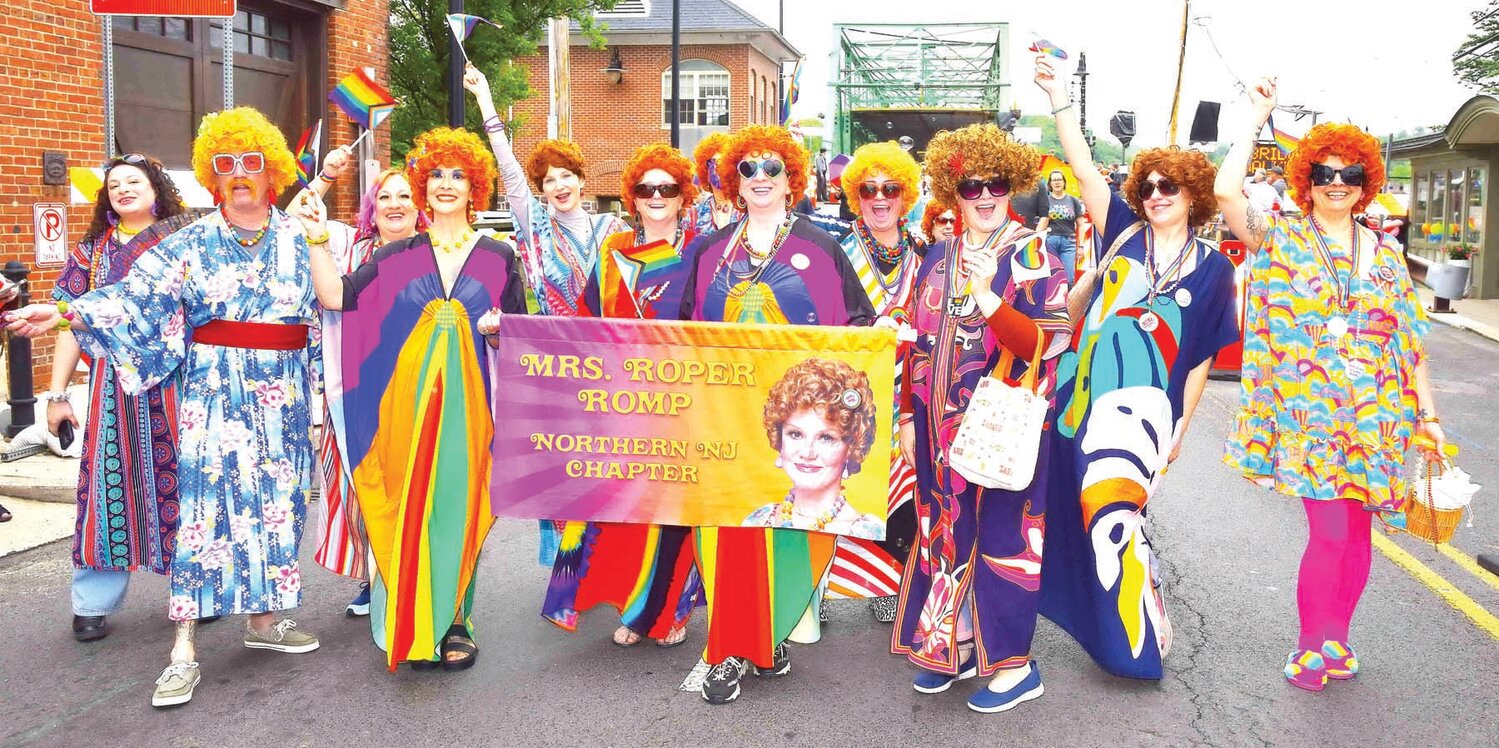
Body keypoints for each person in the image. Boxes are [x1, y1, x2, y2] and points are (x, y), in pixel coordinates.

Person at [6, 108, 322, 708]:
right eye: (224, 165)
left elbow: (331, 309)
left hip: (282, 397)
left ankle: (263, 622)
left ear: (272, 171)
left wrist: (329, 393)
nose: (238, 175)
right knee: (203, 513)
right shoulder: (190, 241)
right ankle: (183, 650)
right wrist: (67, 313)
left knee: (276, 507)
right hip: (211, 393)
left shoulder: (300, 237)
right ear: (211, 174)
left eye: (250, 163)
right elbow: (131, 296)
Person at [1217, 78, 1444, 692]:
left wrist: (1428, 414)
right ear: (1306, 179)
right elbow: (1224, 192)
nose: (1336, 182)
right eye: (1324, 172)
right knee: (1332, 531)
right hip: (1309, 415)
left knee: (1360, 535)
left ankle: (1337, 639)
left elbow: (1409, 340)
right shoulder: (1282, 235)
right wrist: (1256, 116)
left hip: (1378, 414)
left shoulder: (1387, 253)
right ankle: (1311, 644)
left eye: (1348, 173)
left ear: (1366, 181)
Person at [1032, 55, 1241, 681]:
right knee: (1066, 505)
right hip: (1077, 397)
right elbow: (1081, 164)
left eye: (1167, 188)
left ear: (1192, 197)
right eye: (1147, 187)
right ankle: (1106, 609)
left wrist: (1181, 425)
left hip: (1145, 414)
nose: (1154, 197)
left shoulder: (1213, 269)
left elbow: (1202, 353)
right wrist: (1059, 97)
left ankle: (1129, 631)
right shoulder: (1120, 230)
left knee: (1119, 514)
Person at [305, 126, 525, 673]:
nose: (446, 185)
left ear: (476, 187)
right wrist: (313, 238)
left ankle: (456, 622)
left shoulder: (500, 256)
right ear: (424, 191)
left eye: (458, 176)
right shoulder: (396, 253)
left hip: (470, 413)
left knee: (460, 507)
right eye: (436, 177)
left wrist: (500, 329)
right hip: (401, 410)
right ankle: (412, 621)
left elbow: (524, 333)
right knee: (410, 509)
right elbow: (335, 298)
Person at [679, 124, 875, 705]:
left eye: (772, 169)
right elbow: (679, 334)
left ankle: (768, 631)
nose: (760, 178)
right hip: (722, 421)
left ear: (791, 178)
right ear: (732, 181)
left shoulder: (821, 247)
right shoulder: (710, 252)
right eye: (749, 169)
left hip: (803, 431)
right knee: (727, 534)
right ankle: (732, 646)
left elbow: (857, 323)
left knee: (798, 533)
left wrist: (877, 335)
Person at [892, 122, 1072, 714]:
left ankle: (1017, 666)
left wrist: (991, 298)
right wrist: (905, 416)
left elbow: (1044, 344)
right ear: (953, 192)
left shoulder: (1033, 253)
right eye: (971, 187)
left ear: (1012, 185)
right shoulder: (937, 255)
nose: (985, 197)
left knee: (1003, 539)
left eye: (996, 184)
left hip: (1003, 431)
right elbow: (914, 343)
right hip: (938, 432)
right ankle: (959, 643)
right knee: (945, 533)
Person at [543, 143, 703, 648]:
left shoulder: (704, 251)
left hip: (685, 403)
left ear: (683, 198)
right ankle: (634, 610)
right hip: (622, 403)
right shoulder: (613, 258)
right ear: (632, 198)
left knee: (672, 515)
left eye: (668, 188)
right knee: (621, 512)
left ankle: (668, 613)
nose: (656, 197)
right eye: (645, 189)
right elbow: (587, 322)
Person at [46, 153, 187, 643]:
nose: (123, 189)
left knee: (186, 485)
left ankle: (194, 592)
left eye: (133, 181)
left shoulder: (186, 244)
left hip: (178, 384)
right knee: (106, 491)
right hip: (111, 389)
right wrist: (58, 394)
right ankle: (92, 603)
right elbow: (68, 322)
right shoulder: (89, 255)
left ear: (156, 188)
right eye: (113, 186)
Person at [293, 150, 426, 618]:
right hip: (355, 388)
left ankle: (418, 576)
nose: (394, 203)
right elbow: (296, 220)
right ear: (372, 208)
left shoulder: (438, 252)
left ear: (418, 205)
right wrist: (327, 175)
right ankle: (377, 576)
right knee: (364, 486)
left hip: (420, 388)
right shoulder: (350, 246)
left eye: (404, 195)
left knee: (417, 486)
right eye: (384, 196)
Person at [835, 140, 927, 622]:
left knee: (903, 490)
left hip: (908, 393)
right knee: (841, 483)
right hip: (849, 393)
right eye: (868, 189)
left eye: (890, 188)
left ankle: (890, 583)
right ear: (857, 196)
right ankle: (822, 588)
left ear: (905, 195)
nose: (879, 197)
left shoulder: (925, 255)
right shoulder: (837, 251)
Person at [463, 64, 626, 318]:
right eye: (549, 181)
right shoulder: (539, 228)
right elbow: (510, 172)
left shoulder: (614, 228)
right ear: (543, 190)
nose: (559, 185)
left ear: (581, 180)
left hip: (608, 346)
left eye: (566, 175)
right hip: (555, 348)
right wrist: (484, 99)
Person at [743, 358, 881, 537]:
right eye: (795, 434)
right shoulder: (758, 520)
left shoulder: (869, 533)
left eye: (825, 438)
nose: (807, 453)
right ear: (779, 441)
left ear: (851, 448)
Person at [1033, 170, 1087, 277]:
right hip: (1049, 241)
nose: (1057, 182)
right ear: (1050, 184)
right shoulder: (1045, 201)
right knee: (1051, 277)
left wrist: (1081, 246)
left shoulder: (1073, 200)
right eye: (1054, 180)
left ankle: (1067, 294)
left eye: (1059, 180)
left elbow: (1081, 224)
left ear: (1064, 182)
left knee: (1069, 278)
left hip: (1068, 243)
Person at [691, 132, 742, 235]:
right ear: (705, 170)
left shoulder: (749, 209)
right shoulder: (693, 215)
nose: (720, 168)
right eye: (714, 163)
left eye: (725, 162)